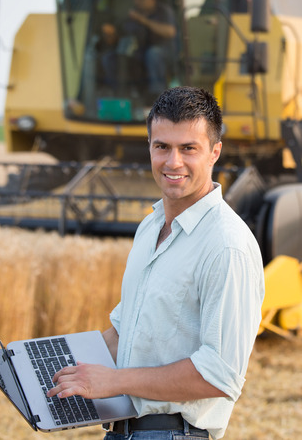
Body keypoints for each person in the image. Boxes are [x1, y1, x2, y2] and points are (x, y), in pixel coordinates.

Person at [47, 86, 265, 440]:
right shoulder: (150, 226)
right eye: (162, 146)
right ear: (149, 147)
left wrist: (113, 380)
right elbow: (125, 331)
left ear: (214, 153)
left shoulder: (227, 246)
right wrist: (56, 366)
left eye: (188, 149)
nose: (172, 162)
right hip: (121, 431)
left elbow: (219, 374)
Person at [98, 0, 177, 101]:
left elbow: (170, 31)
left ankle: (157, 96)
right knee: (110, 57)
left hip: (164, 55)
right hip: (139, 55)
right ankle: (119, 94)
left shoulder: (163, 11)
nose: (137, 2)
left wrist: (142, 20)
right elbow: (122, 35)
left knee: (153, 53)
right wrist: (111, 35)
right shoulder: (133, 14)